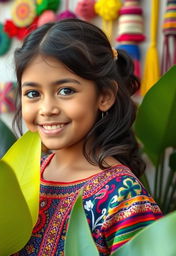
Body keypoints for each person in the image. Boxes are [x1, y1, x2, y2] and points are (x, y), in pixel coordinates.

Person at [12, 19, 162, 256]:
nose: (47, 108)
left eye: (66, 91)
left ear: (104, 96)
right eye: (33, 93)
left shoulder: (123, 197)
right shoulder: (19, 179)